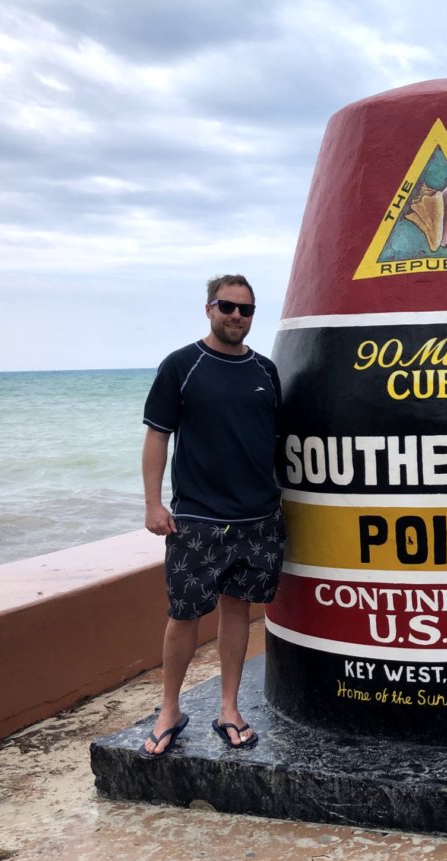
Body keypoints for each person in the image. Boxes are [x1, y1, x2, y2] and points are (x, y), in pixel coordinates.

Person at [138, 274, 285, 758]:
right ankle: (169, 710)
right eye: (227, 307)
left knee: (238, 611)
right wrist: (153, 503)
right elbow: (157, 435)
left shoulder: (266, 370)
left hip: (258, 518)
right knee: (183, 616)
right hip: (197, 519)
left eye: (246, 310)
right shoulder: (182, 366)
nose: (236, 316)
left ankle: (229, 708)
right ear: (209, 308)